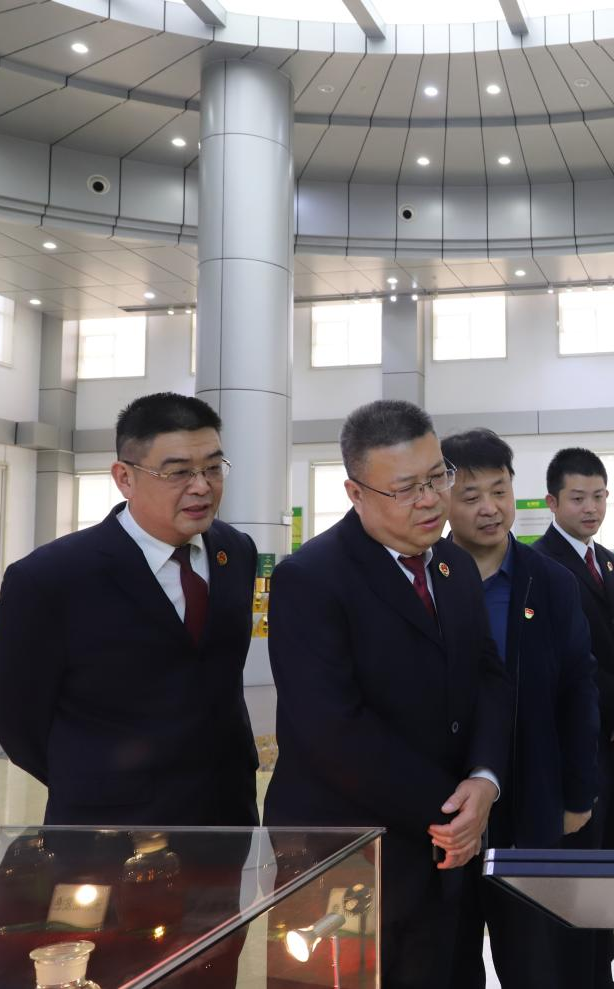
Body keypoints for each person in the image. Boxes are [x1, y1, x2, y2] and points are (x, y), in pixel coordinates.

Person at [262, 400, 511, 989]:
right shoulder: (312, 578)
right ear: (356, 493)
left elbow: (488, 677)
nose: (430, 500)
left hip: (443, 849)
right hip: (345, 852)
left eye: (437, 477)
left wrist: (484, 780)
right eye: (405, 489)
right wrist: (452, 811)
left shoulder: (452, 565)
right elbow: (333, 730)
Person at [0, 392, 259, 826]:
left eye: (212, 468)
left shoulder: (235, 552)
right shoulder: (51, 578)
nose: (202, 486)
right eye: (178, 472)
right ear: (124, 478)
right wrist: (92, 779)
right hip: (110, 826)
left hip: (226, 814)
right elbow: (10, 713)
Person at [440, 428, 600, 989]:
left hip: (532, 799)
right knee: (449, 960)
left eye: (500, 491)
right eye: (471, 495)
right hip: (445, 806)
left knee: (534, 961)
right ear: (442, 498)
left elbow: (578, 691)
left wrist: (577, 795)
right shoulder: (426, 578)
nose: (489, 508)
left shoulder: (551, 583)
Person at [535, 447, 614, 989]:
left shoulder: (607, 561)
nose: (591, 508)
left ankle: (600, 974)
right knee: (578, 876)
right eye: (578, 498)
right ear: (552, 502)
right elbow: (568, 660)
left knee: (610, 869)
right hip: (577, 752)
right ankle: (576, 977)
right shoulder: (541, 567)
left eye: (600, 496)